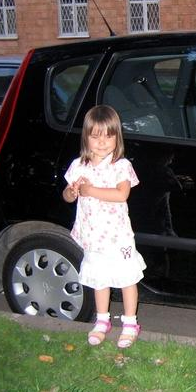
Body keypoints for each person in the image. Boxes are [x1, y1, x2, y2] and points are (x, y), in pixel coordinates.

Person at [63, 105, 146, 348]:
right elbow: (67, 195)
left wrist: (90, 190)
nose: (102, 142)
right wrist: (72, 192)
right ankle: (102, 321)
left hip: (118, 237)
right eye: (95, 136)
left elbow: (121, 194)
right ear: (86, 137)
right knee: (100, 279)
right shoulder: (79, 165)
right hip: (93, 237)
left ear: (117, 138)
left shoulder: (121, 165)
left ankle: (130, 323)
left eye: (108, 136)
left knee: (127, 278)